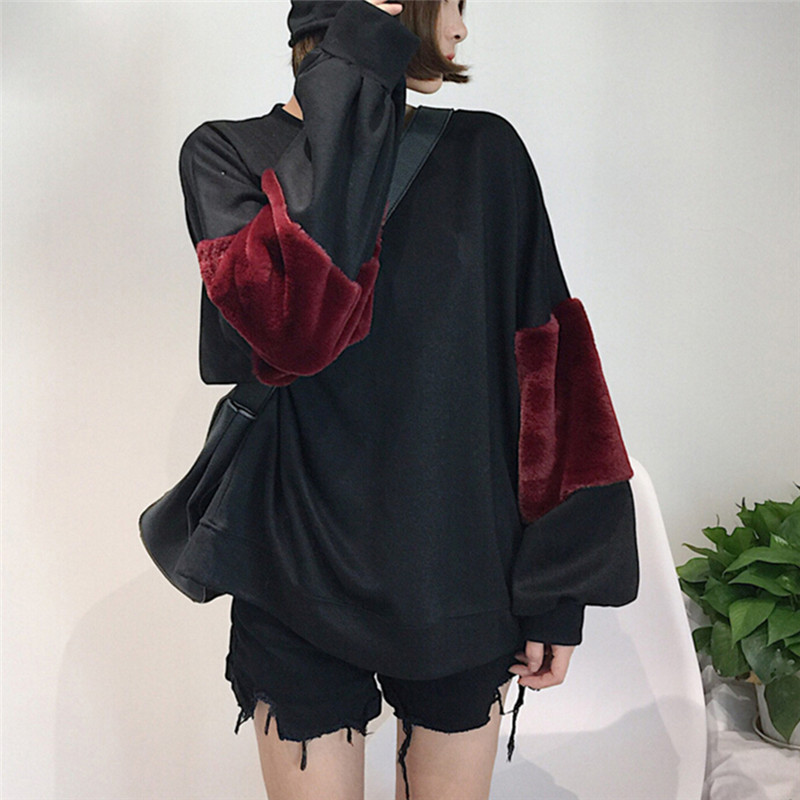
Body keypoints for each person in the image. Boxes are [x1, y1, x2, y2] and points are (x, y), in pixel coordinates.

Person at [176, 1, 640, 798]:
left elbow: (552, 374)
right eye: (452, 1)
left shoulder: (485, 154)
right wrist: (355, 63)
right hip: (291, 568)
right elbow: (296, 331)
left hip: (459, 574)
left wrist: (558, 584)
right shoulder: (225, 155)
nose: (461, 28)